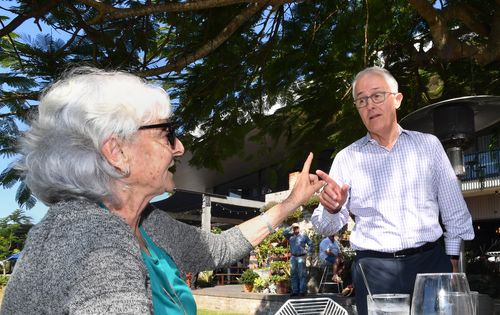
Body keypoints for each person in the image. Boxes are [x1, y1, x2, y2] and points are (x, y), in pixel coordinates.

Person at [0, 67, 325, 315]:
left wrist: (292, 201)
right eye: (166, 134)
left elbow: (220, 248)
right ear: (117, 152)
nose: (180, 148)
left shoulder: (145, 222)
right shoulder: (90, 235)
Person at [311, 66, 474, 315]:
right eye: (362, 100)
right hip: (374, 269)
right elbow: (325, 227)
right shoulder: (347, 158)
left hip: (430, 263)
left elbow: (454, 210)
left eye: (377, 95)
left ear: (397, 99)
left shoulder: (428, 146)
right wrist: (333, 208)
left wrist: (451, 259)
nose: (370, 105)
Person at [283, 222, 313, 297]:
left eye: (297, 227)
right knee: (293, 274)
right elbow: (284, 233)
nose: (296, 229)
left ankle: (302, 291)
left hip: (301, 257)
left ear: (299, 228)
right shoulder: (290, 236)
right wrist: (291, 226)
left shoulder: (303, 236)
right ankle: (295, 291)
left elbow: (310, 244)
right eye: (294, 228)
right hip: (293, 257)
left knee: (302, 274)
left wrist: (309, 254)